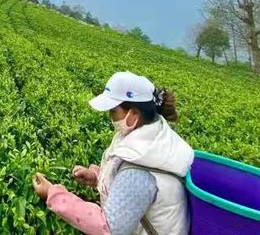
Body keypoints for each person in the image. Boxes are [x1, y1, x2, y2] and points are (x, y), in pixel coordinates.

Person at [33, 72, 194, 235]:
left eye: (113, 110)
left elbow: (108, 227)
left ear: (134, 114)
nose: (110, 115)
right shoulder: (154, 134)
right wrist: (98, 177)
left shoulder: (140, 171)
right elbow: (128, 191)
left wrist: (53, 195)